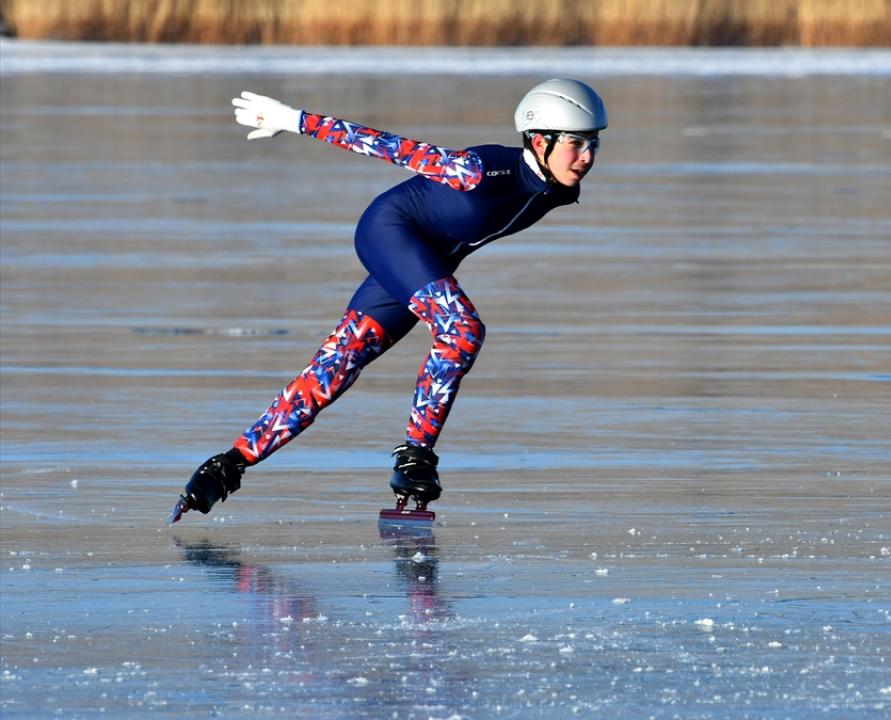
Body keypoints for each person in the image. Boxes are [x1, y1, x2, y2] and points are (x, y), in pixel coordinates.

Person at [168, 79, 607, 523]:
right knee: (462, 329)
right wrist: (294, 120)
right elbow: (387, 147)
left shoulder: (558, 188)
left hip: (428, 260)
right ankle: (414, 457)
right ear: (538, 139)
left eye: (593, 144)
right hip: (390, 233)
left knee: (337, 364)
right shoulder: (474, 169)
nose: (587, 157)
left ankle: (227, 464)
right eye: (575, 144)